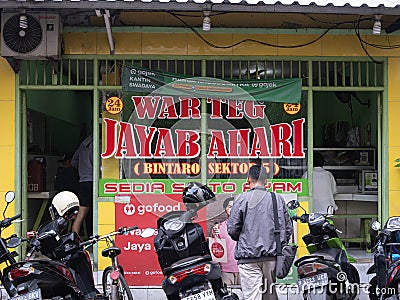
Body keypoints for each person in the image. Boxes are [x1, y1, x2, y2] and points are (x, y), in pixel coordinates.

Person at [227, 164, 292, 300]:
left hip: (247, 257)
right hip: (271, 257)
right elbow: (287, 228)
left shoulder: (241, 199)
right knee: (269, 295)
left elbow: (232, 230)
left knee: (252, 296)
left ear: (248, 179)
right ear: (266, 181)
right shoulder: (277, 199)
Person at [212, 197, 240, 286]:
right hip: (226, 269)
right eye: (229, 206)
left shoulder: (246, 226)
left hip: (243, 268)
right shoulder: (218, 228)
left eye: (235, 206)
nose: (232, 209)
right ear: (225, 209)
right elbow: (216, 249)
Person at [71, 133, 93, 236]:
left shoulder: (83, 144)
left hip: (83, 182)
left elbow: (73, 162)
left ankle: (73, 241)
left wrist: (83, 170)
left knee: (81, 215)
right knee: (99, 210)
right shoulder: (99, 143)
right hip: (95, 181)